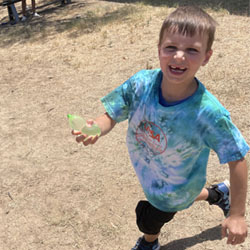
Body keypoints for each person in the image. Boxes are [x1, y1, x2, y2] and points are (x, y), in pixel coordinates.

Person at [71, 6, 249, 250]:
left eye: (192, 50)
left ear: (206, 57)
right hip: (155, 177)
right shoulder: (141, 84)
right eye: (171, 47)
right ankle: (217, 194)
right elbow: (112, 113)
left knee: (149, 218)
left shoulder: (208, 113)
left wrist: (238, 215)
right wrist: (97, 127)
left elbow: (237, 159)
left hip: (179, 183)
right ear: (159, 49)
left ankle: (149, 242)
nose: (178, 56)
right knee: (176, 198)